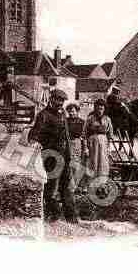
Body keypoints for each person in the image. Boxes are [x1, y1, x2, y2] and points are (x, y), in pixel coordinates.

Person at [28, 89, 79, 223]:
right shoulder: (43, 115)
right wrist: (35, 142)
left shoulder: (62, 114)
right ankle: (54, 216)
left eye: (62, 101)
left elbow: (66, 136)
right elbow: (33, 134)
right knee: (51, 190)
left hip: (64, 157)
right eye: (58, 100)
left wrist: (69, 155)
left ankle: (72, 219)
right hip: (51, 158)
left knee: (67, 189)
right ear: (52, 99)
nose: (60, 103)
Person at [84, 99, 114, 189]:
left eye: (102, 107)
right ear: (95, 108)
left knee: (103, 164)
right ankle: (91, 185)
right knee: (92, 163)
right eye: (98, 107)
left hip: (104, 144)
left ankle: (102, 184)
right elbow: (84, 134)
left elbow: (110, 135)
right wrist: (86, 148)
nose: (100, 109)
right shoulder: (90, 119)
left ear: (104, 108)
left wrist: (109, 148)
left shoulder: (107, 119)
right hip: (92, 144)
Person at [65, 102, 88, 192]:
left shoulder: (82, 122)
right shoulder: (65, 121)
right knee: (67, 164)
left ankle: (74, 185)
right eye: (69, 111)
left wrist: (85, 148)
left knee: (76, 164)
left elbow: (84, 136)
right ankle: (68, 185)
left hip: (77, 144)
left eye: (73, 111)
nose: (71, 113)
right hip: (67, 143)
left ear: (77, 111)